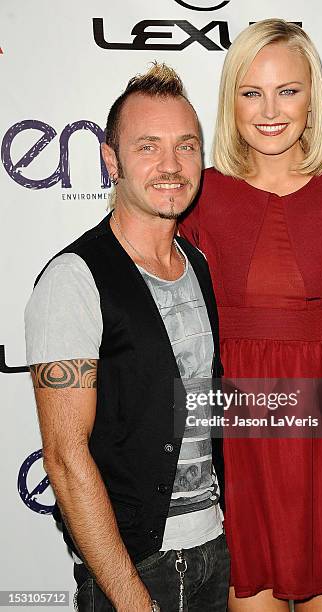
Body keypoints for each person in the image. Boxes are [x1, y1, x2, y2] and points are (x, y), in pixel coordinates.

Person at [179, 19, 322, 611]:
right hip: (236, 435)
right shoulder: (197, 196)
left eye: (288, 90)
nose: (269, 111)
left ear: (314, 95)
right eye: (251, 92)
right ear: (230, 99)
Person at [25, 63, 230, 612]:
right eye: (148, 146)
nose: (171, 165)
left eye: (186, 146)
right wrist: (131, 598)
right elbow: (67, 462)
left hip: (217, 552)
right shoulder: (74, 279)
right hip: (137, 569)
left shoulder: (200, 265)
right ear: (110, 159)